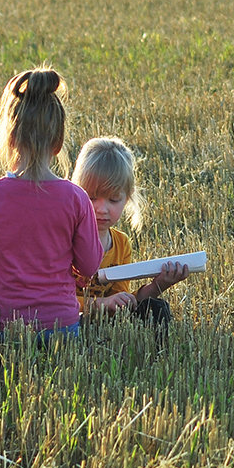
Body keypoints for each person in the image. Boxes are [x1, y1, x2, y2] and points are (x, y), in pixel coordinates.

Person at [0, 68, 101, 342]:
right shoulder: (76, 198)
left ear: (11, 137)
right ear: (58, 142)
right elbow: (90, 265)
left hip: (2, 324)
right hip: (61, 328)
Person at [74, 136, 189, 327]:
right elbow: (53, 301)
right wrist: (100, 304)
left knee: (156, 309)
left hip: (105, 326)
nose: (102, 209)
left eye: (113, 200)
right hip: (69, 323)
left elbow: (123, 303)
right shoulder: (64, 238)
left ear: (127, 199)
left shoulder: (121, 244)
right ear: (76, 193)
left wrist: (159, 284)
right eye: (92, 197)